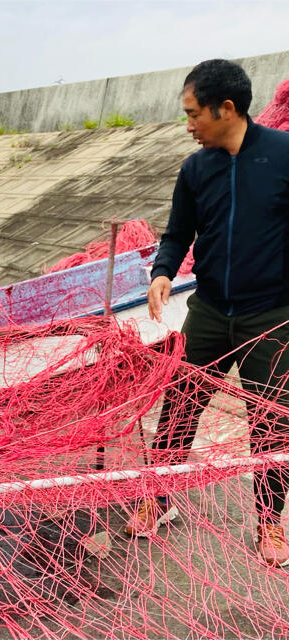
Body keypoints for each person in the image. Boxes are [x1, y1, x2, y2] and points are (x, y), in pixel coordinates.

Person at [123, 59, 289, 567]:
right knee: (178, 410)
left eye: (194, 114)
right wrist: (162, 271)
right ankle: (158, 500)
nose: (189, 124)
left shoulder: (283, 157)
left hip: (272, 317)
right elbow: (177, 234)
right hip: (210, 313)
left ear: (227, 109)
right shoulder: (196, 169)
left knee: (273, 425)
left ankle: (270, 523)